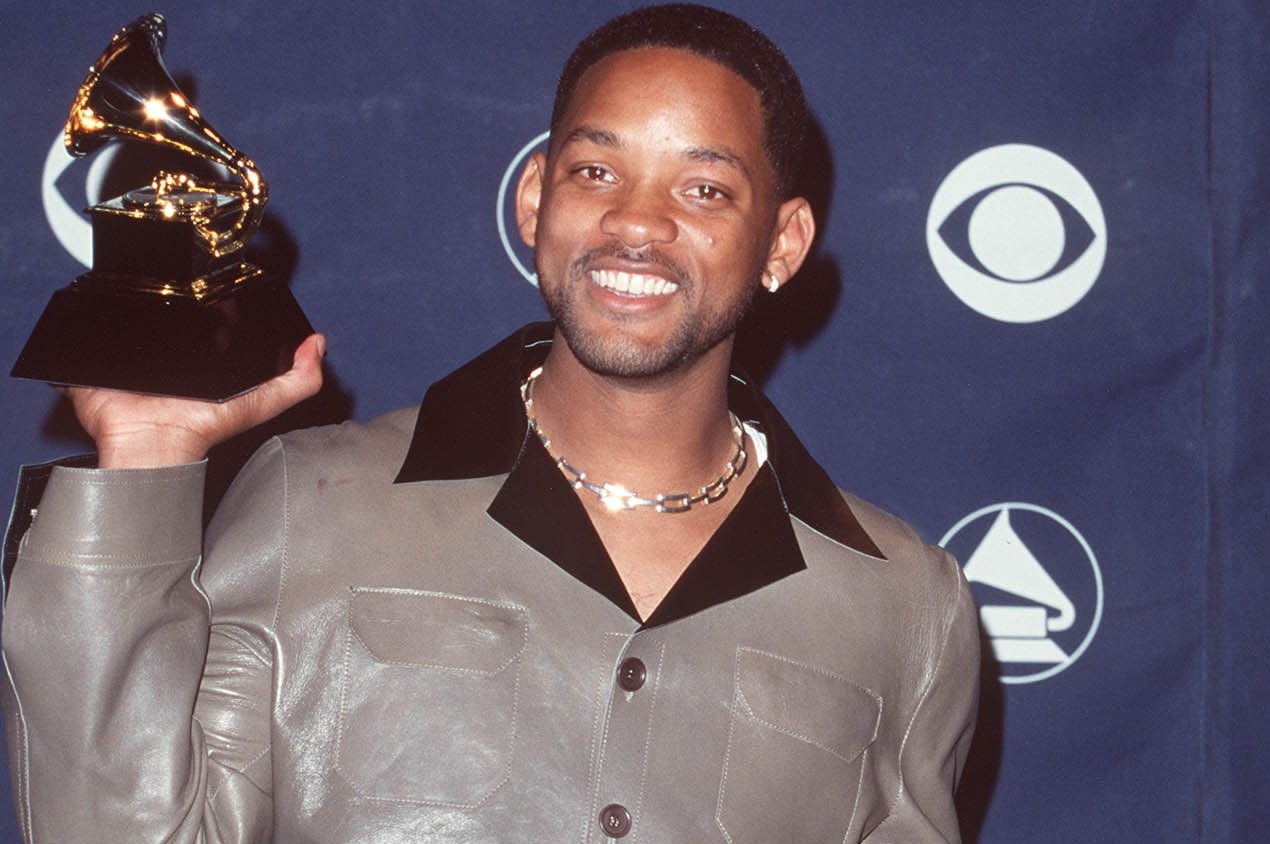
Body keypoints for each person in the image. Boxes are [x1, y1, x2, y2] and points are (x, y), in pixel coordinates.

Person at [1, 4, 978, 842]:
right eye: (596, 171)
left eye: (704, 188)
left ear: (782, 244)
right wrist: (145, 458)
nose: (636, 224)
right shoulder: (312, 502)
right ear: (533, 200)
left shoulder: (906, 610)